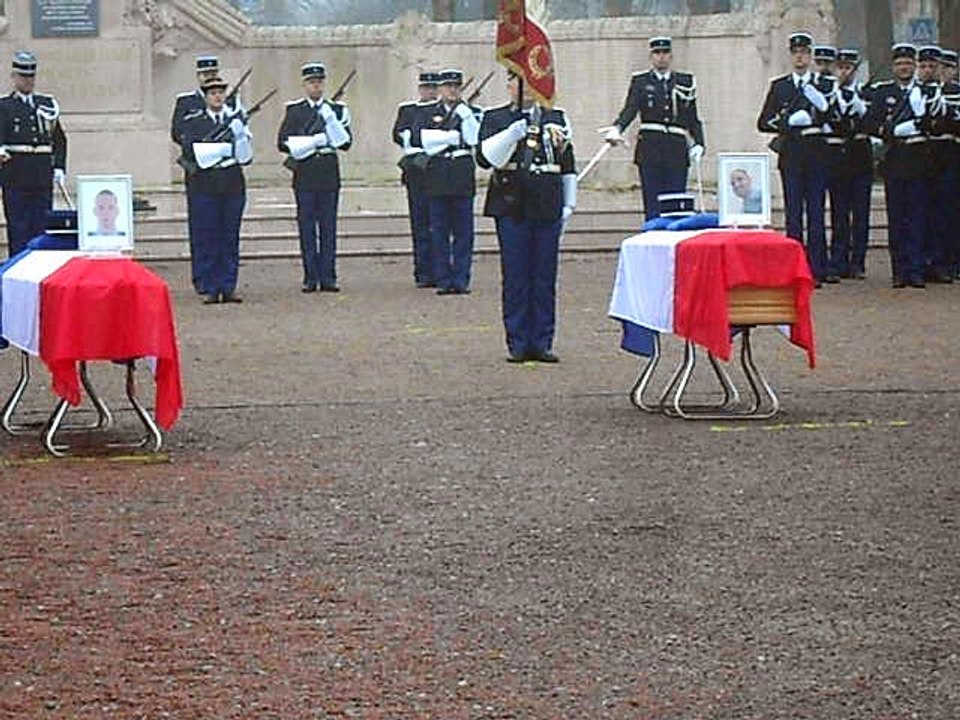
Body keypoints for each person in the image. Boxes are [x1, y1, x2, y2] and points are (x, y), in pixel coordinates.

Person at [477, 71, 576, 363]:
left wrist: (569, 202)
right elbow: (484, 159)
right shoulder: (495, 118)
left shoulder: (555, 117)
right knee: (517, 274)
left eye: (530, 84)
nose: (526, 90)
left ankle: (542, 340)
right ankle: (518, 341)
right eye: (518, 84)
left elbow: (566, 161)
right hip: (512, 201)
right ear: (509, 86)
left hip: (547, 199)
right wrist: (512, 133)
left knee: (544, 275)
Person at [757, 32, 832, 286]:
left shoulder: (823, 84)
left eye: (804, 52)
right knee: (793, 215)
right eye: (796, 52)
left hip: (816, 154)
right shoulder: (781, 86)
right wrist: (787, 122)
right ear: (791, 56)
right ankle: (793, 269)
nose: (800, 56)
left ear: (810, 55)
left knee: (816, 214)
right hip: (791, 154)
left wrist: (820, 112)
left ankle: (817, 269)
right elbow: (764, 121)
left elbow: (835, 118)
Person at [604, 36, 704, 220]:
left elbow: (692, 117)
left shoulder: (685, 81)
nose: (661, 57)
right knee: (653, 202)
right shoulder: (641, 81)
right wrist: (617, 128)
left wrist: (699, 142)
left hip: (676, 148)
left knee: (675, 203)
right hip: (651, 148)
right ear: (651, 57)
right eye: (657, 53)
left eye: (665, 52)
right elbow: (630, 109)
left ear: (671, 56)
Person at [278, 62, 352, 293]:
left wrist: (330, 120)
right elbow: (282, 142)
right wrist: (308, 143)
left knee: (328, 227)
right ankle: (310, 276)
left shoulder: (337, 110)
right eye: (311, 82)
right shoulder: (295, 110)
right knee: (307, 226)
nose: (316, 86)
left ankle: (328, 276)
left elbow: (346, 142)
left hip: (328, 171)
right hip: (305, 172)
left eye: (319, 82)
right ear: (304, 84)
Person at [178, 75, 252, 304]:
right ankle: (210, 286)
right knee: (208, 236)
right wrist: (221, 149)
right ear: (206, 97)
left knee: (230, 237)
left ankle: (228, 285)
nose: (218, 96)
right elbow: (192, 152)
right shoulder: (194, 122)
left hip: (231, 183)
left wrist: (239, 136)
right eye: (213, 93)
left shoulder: (235, 121)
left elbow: (245, 156)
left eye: (221, 92)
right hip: (205, 185)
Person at [863, 43, 932, 288]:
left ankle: (915, 269)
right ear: (894, 67)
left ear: (914, 66)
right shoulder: (884, 93)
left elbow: (937, 120)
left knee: (917, 217)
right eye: (900, 64)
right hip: (895, 159)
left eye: (908, 64)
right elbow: (870, 123)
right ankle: (899, 270)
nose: (904, 68)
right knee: (897, 218)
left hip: (919, 160)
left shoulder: (925, 91)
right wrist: (889, 130)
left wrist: (922, 123)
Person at [411, 68, 481, 295]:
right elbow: (423, 140)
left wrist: (466, 115)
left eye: (455, 86)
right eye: (448, 86)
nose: (452, 90)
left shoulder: (470, 112)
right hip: (437, 174)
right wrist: (450, 137)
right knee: (439, 231)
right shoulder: (426, 113)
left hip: (461, 173)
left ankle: (460, 278)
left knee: (463, 232)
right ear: (440, 89)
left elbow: (473, 139)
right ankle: (442, 278)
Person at [0, 51, 67, 258]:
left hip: (40, 177)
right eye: (23, 76)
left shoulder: (46, 104)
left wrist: (59, 168)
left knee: (41, 227)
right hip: (16, 177)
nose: (28, 81)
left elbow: (59, 139)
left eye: (31, 76)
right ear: (14, 77)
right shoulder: (4, 106)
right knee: (19, 228)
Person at [826, 48, 873, 280]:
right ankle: (838, 260)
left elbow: (873, 122)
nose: (844, 72)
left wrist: (860, 107)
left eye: (848, 68)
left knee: (861, 214)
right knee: (839, 213)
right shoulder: (829, 94)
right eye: (840, 67)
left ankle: (858, 262)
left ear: (855, 70)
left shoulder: (867, 93)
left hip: (860, 158)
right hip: (837, 161)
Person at [393, 71, 440, 288]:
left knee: (438, 224)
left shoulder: (444, 110)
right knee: (420, 222)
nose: (429, 91)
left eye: (433, 88)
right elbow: (398, 134)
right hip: (416, 172)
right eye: (426, 88)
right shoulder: (408, 110)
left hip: (438, 170)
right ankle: (423, 272)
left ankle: (439, 269)